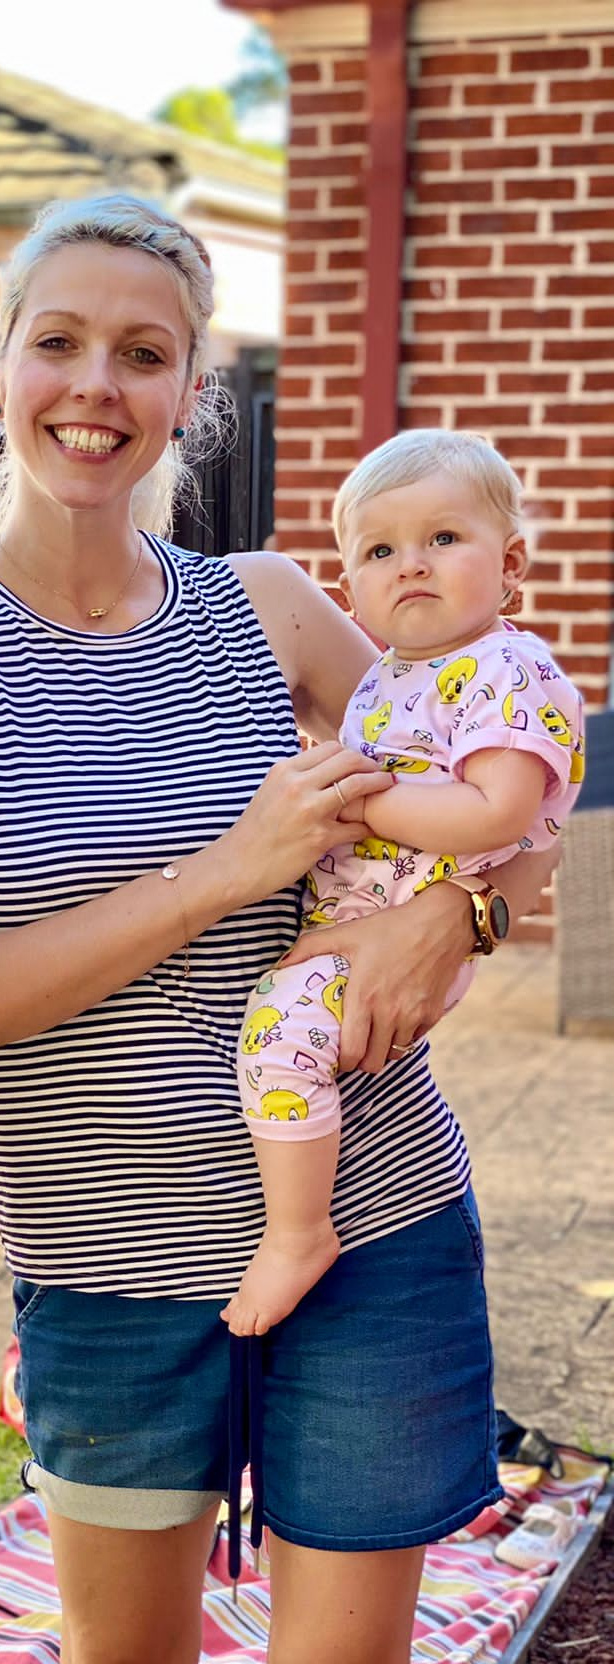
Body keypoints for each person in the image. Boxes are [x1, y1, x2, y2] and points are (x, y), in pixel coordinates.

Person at [0, 192, 557, 1664]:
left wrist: (453, 914)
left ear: (194, 397)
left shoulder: (279, 610)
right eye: (59, 342)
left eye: (143, 353)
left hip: (372, 1225)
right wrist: (229, 868)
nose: (97, 385)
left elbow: (488, 787)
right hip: (105, 1261)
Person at [226, 430, 583, 1335]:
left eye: (442, 540)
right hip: (367, 912)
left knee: (277, 1038)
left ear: (511, 567)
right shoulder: (394, 676)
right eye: (381, 551)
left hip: (415, 920)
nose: (411, 565)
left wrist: (363, 803)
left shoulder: (508, 668)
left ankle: (299, 1233)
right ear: (351, 590)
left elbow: (498, 811)